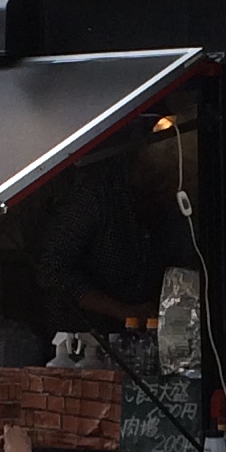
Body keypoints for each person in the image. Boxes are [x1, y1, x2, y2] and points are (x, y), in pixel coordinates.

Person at [39, 129, 193, 333]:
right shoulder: (95, 198)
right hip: (84, 336)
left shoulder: (171, 212)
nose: (177, 189)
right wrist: (122, 311)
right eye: (171, 181)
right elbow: (53, 268)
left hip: (149, 333)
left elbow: (185, 268)